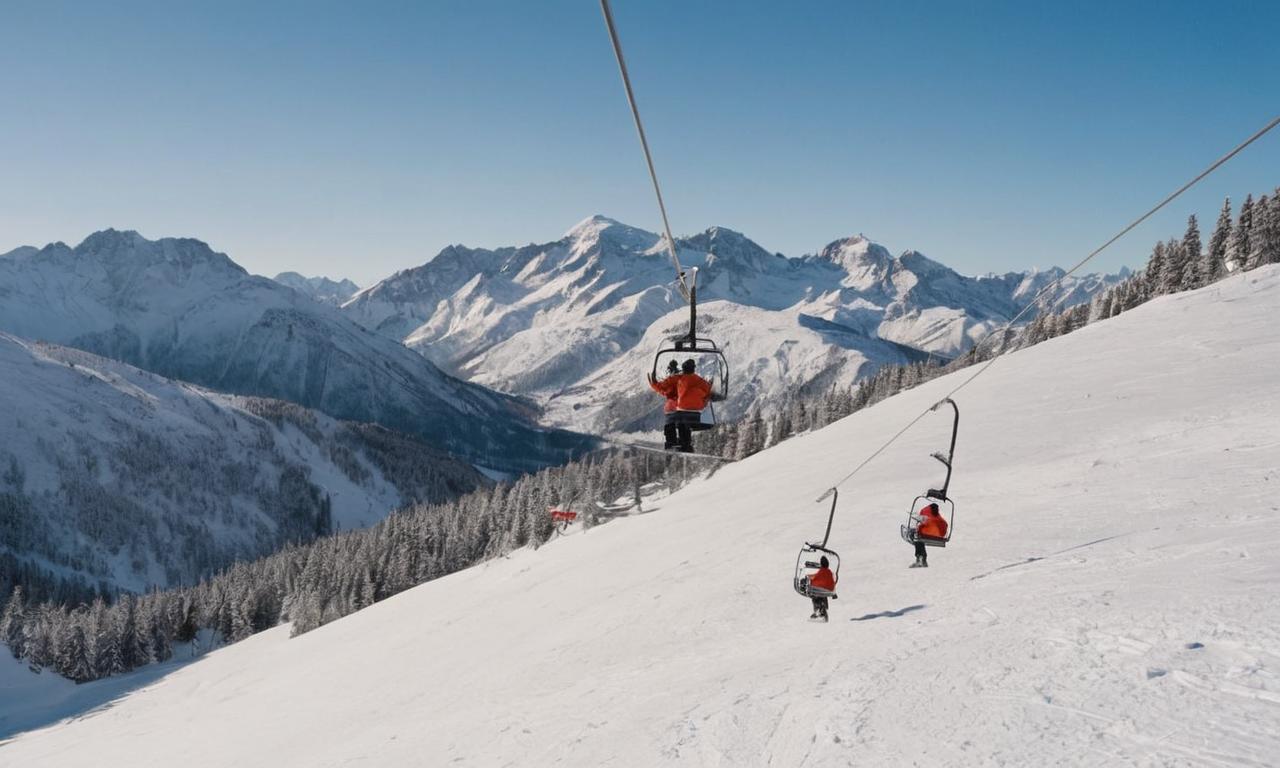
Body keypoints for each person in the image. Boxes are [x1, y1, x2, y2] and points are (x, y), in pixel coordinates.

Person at [647, 359, 712, 452]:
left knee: (672, 418)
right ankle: (685, 443)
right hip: (696, 412)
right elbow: (708, 392)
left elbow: (662, 387)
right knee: (683, 424)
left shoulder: (677, 379)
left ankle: (671, 442)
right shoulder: (700, 381)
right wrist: (705, 401)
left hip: (680, 410)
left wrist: (653, 384)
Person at [909, 502, 948, 568]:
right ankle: (923, 559)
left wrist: (917, 530)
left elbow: (922, 525)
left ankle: (920, 559)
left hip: (926, 534)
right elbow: (945, 525)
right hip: (938, 536)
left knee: (917, 539)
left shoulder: (926, 514)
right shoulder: (938, 518)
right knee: (919, 539)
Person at [806, 555, 837, 621]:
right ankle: (824, 609)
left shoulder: (821, 571)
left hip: (819, 589)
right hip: (829, 590)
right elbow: (832, 581)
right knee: (823, 595)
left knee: (815, 596)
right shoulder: (829, 572)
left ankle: (818, 611)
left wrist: (809, 577)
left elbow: (815, 577)